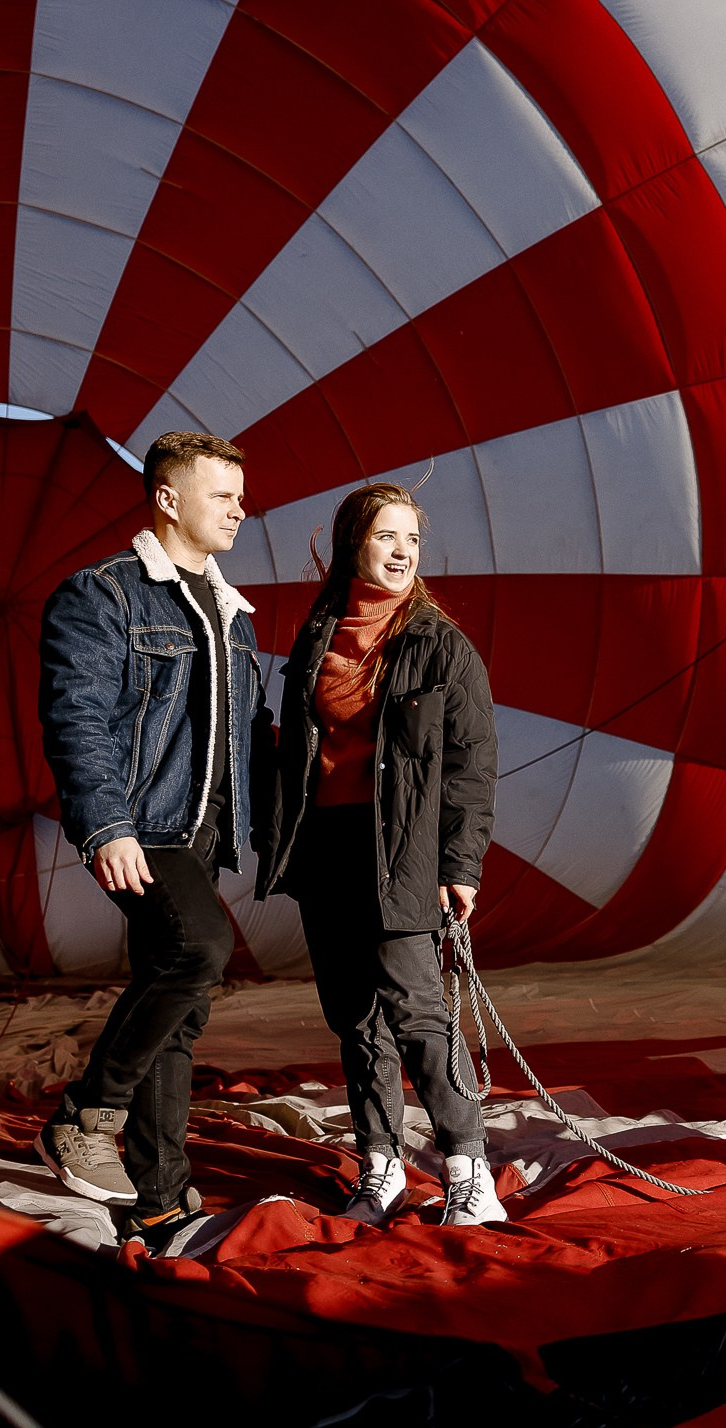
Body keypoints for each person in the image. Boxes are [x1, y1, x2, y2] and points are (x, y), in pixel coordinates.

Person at [35, 431, 264, 1253]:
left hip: (204, 832)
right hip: (144, 825)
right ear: (167, 499)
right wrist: (109, 825)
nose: (241, 508)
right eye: (222, 494)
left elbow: (245, 737)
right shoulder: (102, 596)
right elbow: (78, 720)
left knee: (183, 1013)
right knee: (199, 947)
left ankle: (159, 1201)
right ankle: (84, 1117)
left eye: (242, 494)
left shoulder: (230, 611)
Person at [253, 482, 503, 1226]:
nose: (401, 552)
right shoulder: (319, 633)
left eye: (412, 541)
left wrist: (460, 866)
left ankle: (469, 1171)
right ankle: (380, 1168)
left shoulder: (439, 644)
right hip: (326, 848)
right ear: (352, 545)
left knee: (420, 1013)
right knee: (354, 1017)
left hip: (401, 851)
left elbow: (472, 765)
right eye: (387, 537)